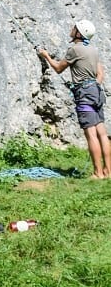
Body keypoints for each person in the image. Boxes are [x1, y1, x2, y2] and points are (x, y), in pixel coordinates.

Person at [37, 19, 109, 179]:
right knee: (102, 133)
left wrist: (46, 55)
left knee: (91, 133)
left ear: (79, 33)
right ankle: (108, 171)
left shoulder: (74, 50)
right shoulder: (93, 49)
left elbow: (58, 68)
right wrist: (90, 85)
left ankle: (98, 173)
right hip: (96, 92)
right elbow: (100, 74)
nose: (72, 28)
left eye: (74, 27)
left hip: (84, 95)